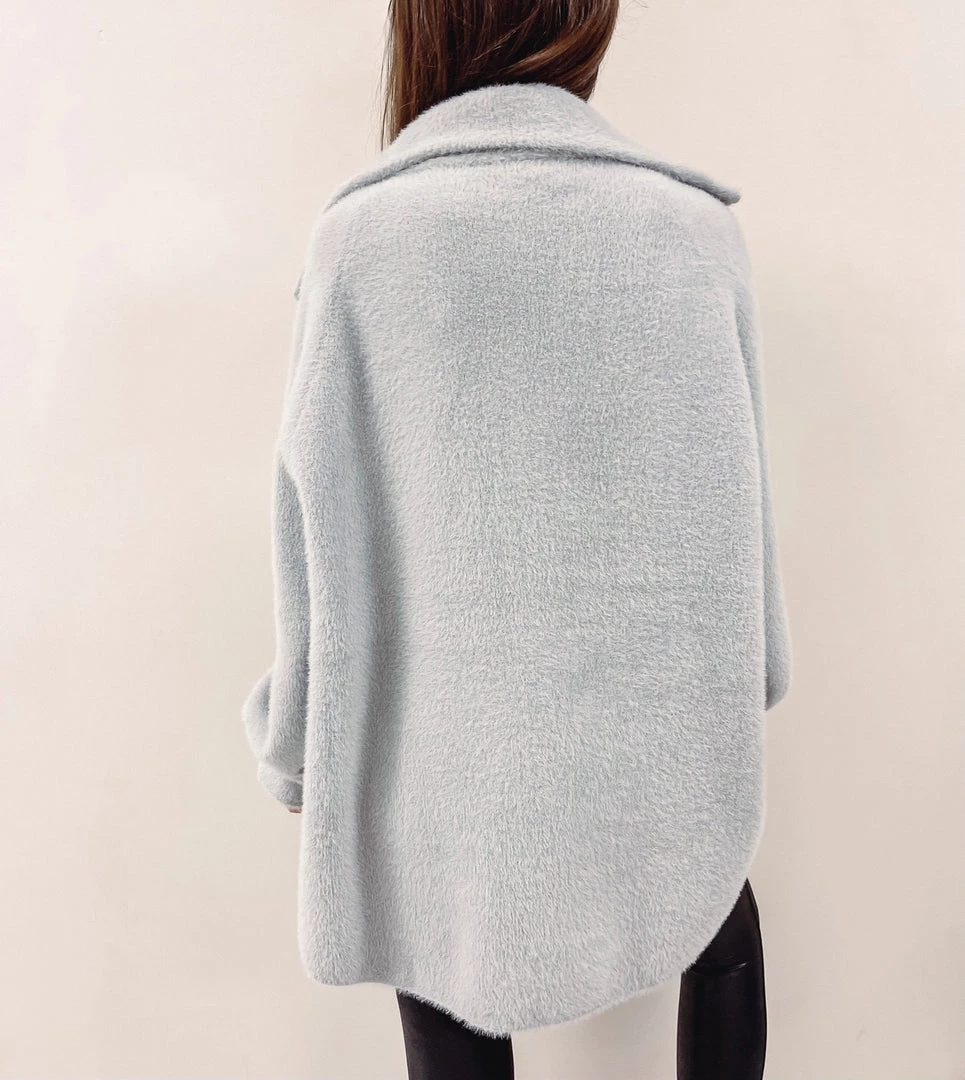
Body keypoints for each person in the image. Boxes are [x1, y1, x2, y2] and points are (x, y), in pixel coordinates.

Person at [241, 1, 792, 1076]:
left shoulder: (362, 243)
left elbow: (312, 523)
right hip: (652, 735)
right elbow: (739, 501)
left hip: (443, 759)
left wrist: (294, 742)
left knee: (438, 949)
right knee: (715, 909)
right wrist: (751, 673)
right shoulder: (692, 233)